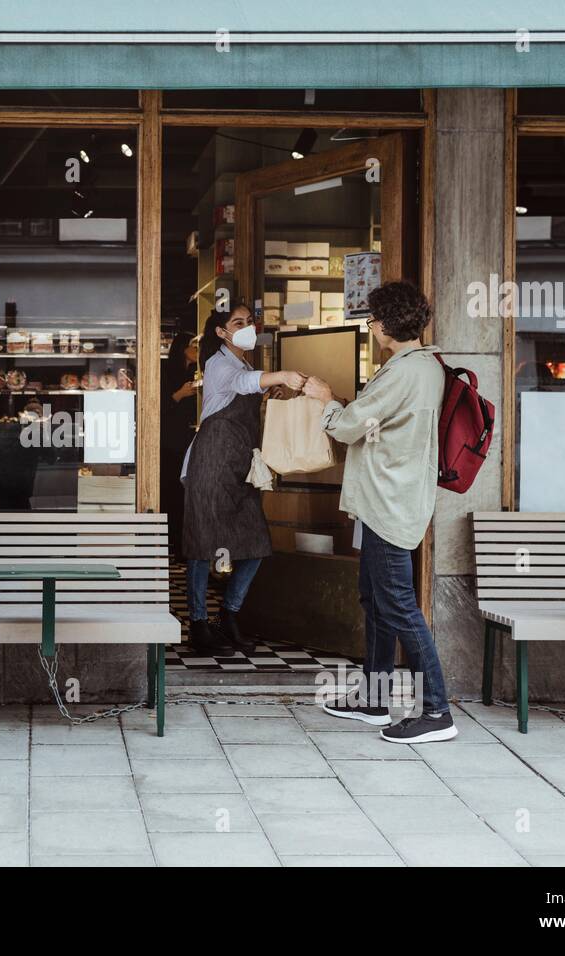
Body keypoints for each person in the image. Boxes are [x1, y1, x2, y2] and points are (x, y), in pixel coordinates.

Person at [304, 281, 458, 744]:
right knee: (376, 601)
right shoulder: (422, 365)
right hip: (383, 502)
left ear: (388, 324)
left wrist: (326, 399)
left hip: (391, 504)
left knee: (399, 605)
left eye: (372, 319)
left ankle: (437, 711)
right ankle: (374, 698)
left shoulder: (405, 372)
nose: (370, 327)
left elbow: (352, 425)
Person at [180, 305, 304, 656]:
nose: (248, 327)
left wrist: (269, 396)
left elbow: (249, 388)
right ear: (221, 332)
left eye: (250, 322)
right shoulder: (219, 364)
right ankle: (199, 624)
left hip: (238, 466)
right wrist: (279, 376)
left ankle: (228, 616)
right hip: (209, 464)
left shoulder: (245, 364)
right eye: (239, 323)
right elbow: (243, 384)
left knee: (256, 543)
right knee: (203, 546)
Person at [160, 323, 199, 547]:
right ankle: (170, 542)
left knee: (185, 493)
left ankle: (183, 542)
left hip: (188, 440)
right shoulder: (166, 372)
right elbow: (158, 407)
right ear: (182, 348)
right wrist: (180, 394)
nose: (197, 351)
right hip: (168, 442)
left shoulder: (196, 372)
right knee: (171, 491)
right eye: (194, 346)